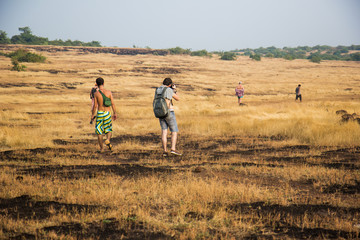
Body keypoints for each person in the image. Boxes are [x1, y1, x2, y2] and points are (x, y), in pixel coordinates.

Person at [155, 78, 181, 156]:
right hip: (169, 112)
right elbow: (177, 98)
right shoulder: (169, 90)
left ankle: (165, 151)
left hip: (160, 112)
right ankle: (173, 149)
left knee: (164, 131)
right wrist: (174, 90)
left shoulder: (158, 90)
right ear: (169, 84)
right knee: (174, 131)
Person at [91, 77, 117, 152]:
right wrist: (115, 113)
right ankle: (108, 140)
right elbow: (112, 104)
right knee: (108, 129)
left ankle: (102, 149)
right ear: (103, 83)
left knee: (99, 131)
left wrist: (92, 115)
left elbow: (95, 106)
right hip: (107, 113)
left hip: (100, 113)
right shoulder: (109, 92)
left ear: (96, 84)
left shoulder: (96, 94)